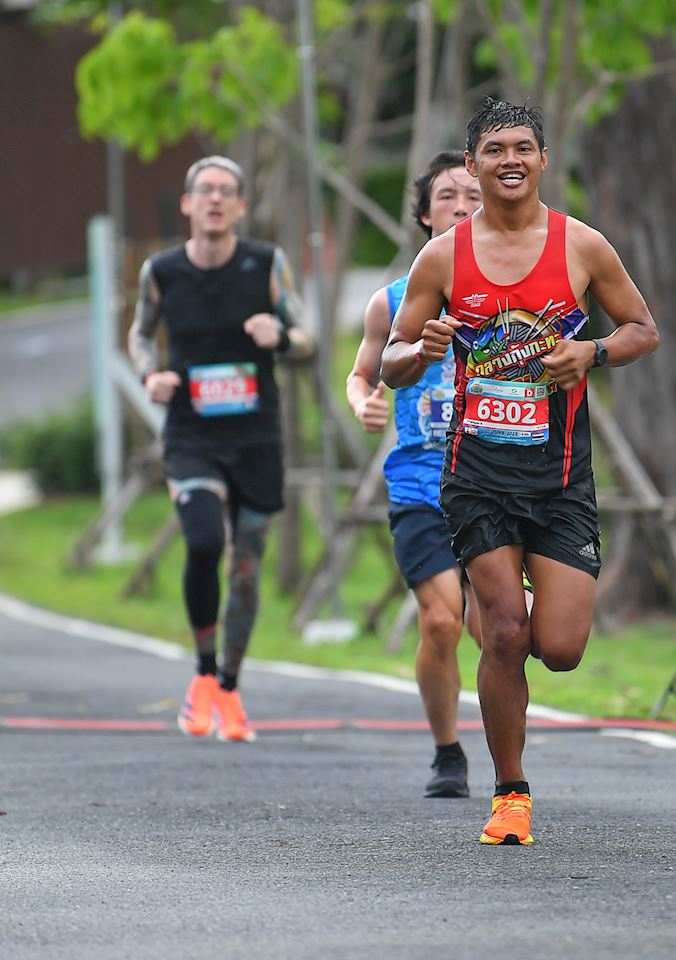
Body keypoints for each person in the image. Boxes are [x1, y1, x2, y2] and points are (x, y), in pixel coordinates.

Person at [382, 99, 660, 845]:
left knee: (561, 647)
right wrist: (423, 350)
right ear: (471, 164)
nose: (511, 158)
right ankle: (511, 794)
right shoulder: (442, 258)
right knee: (504, 635)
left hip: (561, 474)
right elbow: (390, 360)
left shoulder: (582, 247)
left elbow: (643, 328)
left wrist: (590, 352)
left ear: (542, 159)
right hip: (475, 475)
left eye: (524, 147)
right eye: (495, 148)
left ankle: (521, 591)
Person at [129, 156, 315, 743]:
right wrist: (148, 373)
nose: (214, 199)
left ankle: (229, 688)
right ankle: (203, 674)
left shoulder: (266, 264)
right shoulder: (160, 271)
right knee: (205, 540)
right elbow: (139, 333)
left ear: (239, 206)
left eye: (226, 191)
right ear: (187, 203)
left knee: (245, 570)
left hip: (255, 436)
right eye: (204, 190)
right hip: (192, 434)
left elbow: (307, 337)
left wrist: (280, 336)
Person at [346, 152, 481, 797]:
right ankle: (448, 752)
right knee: (441, 621)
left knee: (502, 632)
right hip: (420, 483)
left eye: (474, 195)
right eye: (449, 195)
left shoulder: (521, 295)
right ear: (425, 215)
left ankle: (511, 762)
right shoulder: (392, 301)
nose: (463, 204)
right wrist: (364, 402)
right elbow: (361, 373)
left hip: (497, 483)